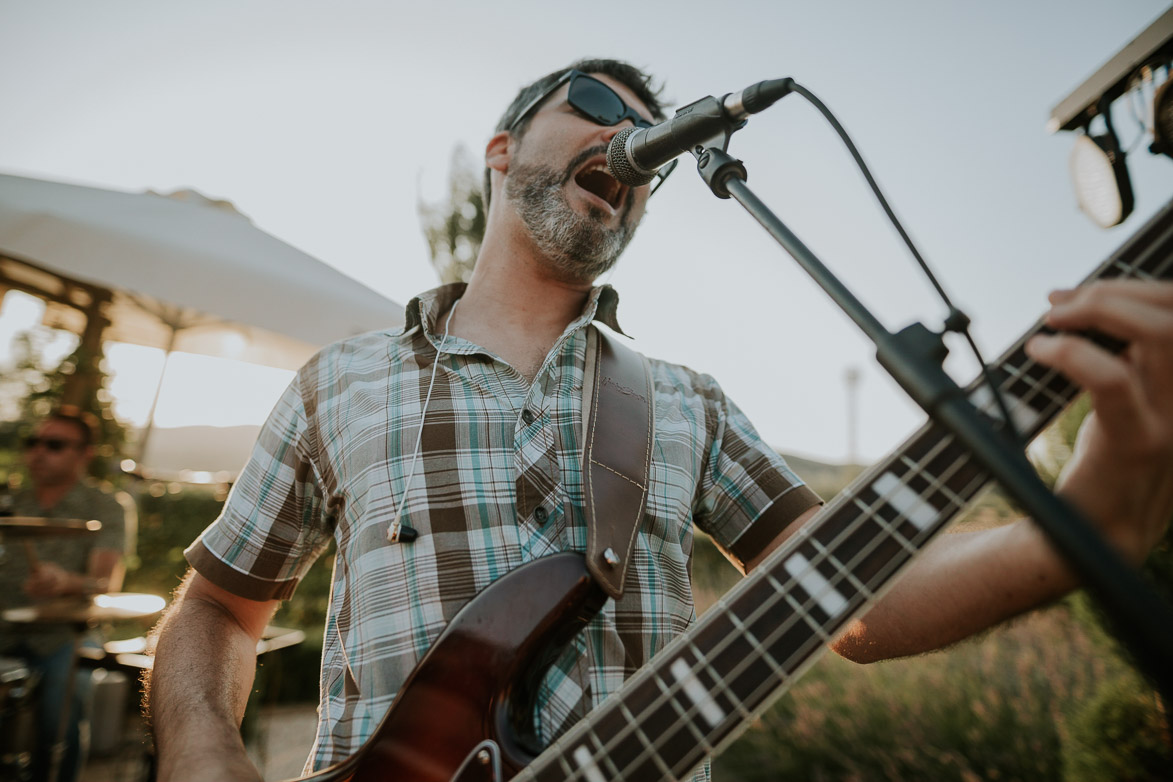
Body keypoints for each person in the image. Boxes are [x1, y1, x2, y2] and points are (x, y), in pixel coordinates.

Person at [146, 59, 1173, 782]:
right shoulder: (340, 383)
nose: (628, 139)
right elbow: (214, 612)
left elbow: (858, 601)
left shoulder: (687, 403)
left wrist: (1075, 530)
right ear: (503, 148)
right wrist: (202, 750)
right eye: (593, 102)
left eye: (656, 146)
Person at [0, 406, 136, 782]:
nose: (39, 451)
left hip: (65, 637)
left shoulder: (105, 507)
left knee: (60, 719)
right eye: (34, 442)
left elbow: (105, 583)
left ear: (84, 454)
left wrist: (65, 582)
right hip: (4, 628)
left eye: (55, 444)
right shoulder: (10, 502)